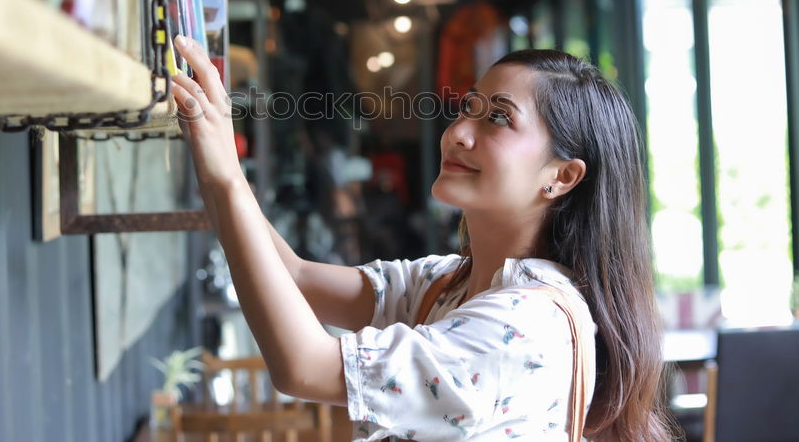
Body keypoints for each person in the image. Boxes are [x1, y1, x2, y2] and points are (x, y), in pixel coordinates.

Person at [170, 36, 673, 441]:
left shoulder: (526, 326)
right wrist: (215, 161)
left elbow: (304, 367)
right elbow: (295, 278)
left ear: (562, 176)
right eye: (469, 107)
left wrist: (227, 179)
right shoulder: (448, 284)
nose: (458, 132)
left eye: (498, 117)